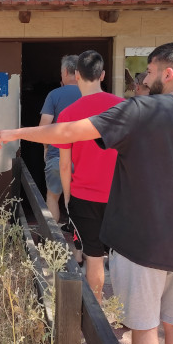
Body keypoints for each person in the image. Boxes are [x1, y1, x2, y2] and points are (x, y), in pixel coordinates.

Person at [0, 42, 173, 344]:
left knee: (145, 330)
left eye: (149, 71)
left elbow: (69, 131)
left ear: (168, 72)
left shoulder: (142, 110)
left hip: (140, 245)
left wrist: (16, 133)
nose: (145, 79)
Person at [53, 50, 122, 303]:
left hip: (84, 196)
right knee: (123, 257)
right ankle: (132, 313)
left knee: (93, 258)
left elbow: (64, 164)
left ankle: (98, 308)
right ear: (102, 75)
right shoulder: (124, 107)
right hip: (120, 196)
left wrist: (68, 199)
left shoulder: (68, 114)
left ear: (76, 75)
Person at [38, 54, 81, 226]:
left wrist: (46, 148)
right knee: (81, 201)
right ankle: (80, 241)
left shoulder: (54, 95)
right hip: (83, 161)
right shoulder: (89, 95)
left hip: (57, 155)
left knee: (52, 196)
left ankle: (53, 240)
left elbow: (44, 127)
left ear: (64, 72)